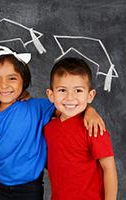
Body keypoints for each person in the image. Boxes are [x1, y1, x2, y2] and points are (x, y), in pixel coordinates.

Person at [0, 46, 106, 200]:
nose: (4, 85)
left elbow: (68, 106)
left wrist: (89, 110)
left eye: (12, 78)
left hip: (29, 188)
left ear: (23, 79)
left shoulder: (37, 107)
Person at [44, 57, 118, 200]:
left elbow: (109, 169)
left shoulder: (94, 128)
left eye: (78, 90)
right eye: (62, 90)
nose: (70, 97)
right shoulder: (49, 128)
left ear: (90, 96)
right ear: (51, 95)